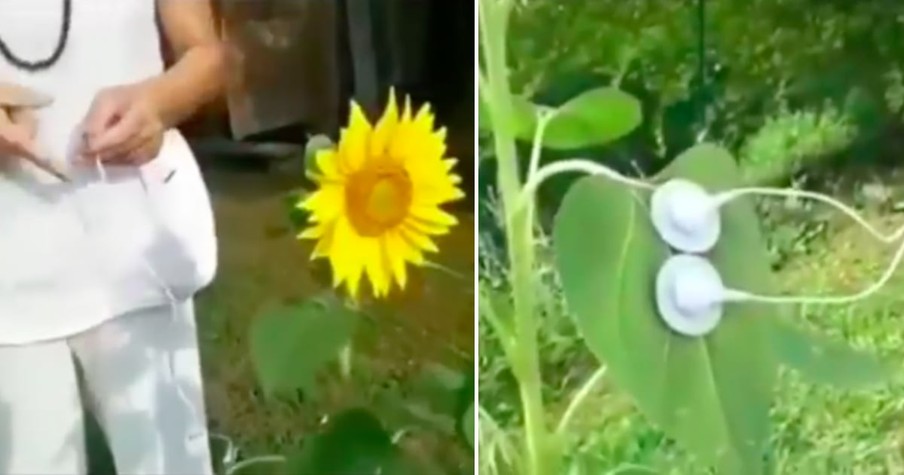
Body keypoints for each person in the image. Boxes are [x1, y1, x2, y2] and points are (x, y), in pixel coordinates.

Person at [0, 0, 224, 473]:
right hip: (10, 262)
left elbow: (206, 56)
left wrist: (159, 103)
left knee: (169, 463)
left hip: (133, 243)